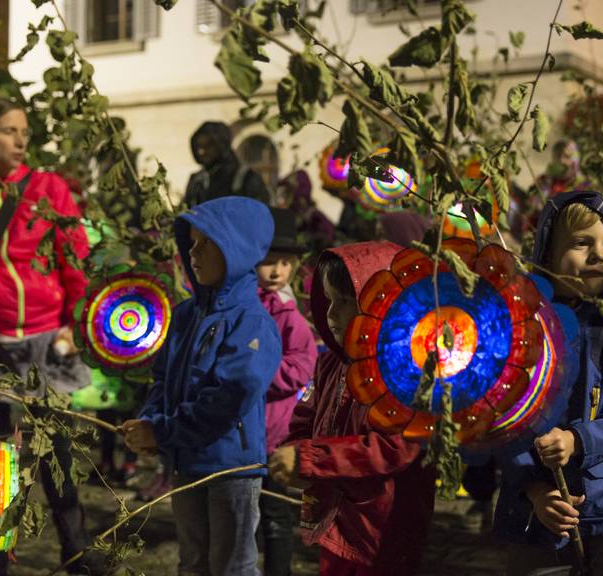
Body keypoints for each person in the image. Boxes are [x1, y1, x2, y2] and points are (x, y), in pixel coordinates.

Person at [493, 190, 603, 576]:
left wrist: (578, 440)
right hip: (537, 510)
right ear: (547, 253)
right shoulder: (522, 330)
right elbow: (500, 416)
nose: (599, 255)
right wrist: (533, 488)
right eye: (582, 243)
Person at [123, 196, 282, 576]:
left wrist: (162, 431)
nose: (193, 253)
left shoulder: (251, 323)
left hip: (230, 469)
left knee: (232, 566)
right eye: (191, 242)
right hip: (187, 461)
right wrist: (149, 422)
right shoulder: (185, 315)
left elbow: (230, 397)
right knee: (192, 562)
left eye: (206, 243)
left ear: (237, 249)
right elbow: (162, 379)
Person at [268, 241, 436, 576]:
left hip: (381, 526)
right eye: (328, 300)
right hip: (335, 517)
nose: (331, 314)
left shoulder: (404, 374)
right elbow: (306, 416)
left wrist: (311, 458)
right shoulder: (331, 363)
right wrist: (295, 453)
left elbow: (394, 447)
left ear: (383, 305)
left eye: (344, 303)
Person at [0, 95, 104, 576]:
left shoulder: (48, 188)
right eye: (10, 131)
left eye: (25, 133)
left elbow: (75, 256)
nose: (21, 141)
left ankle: (75, 550)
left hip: (44, 338)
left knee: (57, 453)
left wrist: (77, 320)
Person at [256, 208, 318, 576]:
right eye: (268, 263)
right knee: (244, 516)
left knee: (277, 515)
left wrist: (257, 370)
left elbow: (299, 368)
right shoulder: (242, 306)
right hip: (243, 433)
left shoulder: (289, 317)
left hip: (276, 434)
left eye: (285, 262)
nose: (277, 271)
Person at [181, 121, 270, 208]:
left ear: (221, 145)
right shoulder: (196, 181)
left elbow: (260, 215)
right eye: (199, 147)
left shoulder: (246, 178)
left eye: (208, 146)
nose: (201, 152)